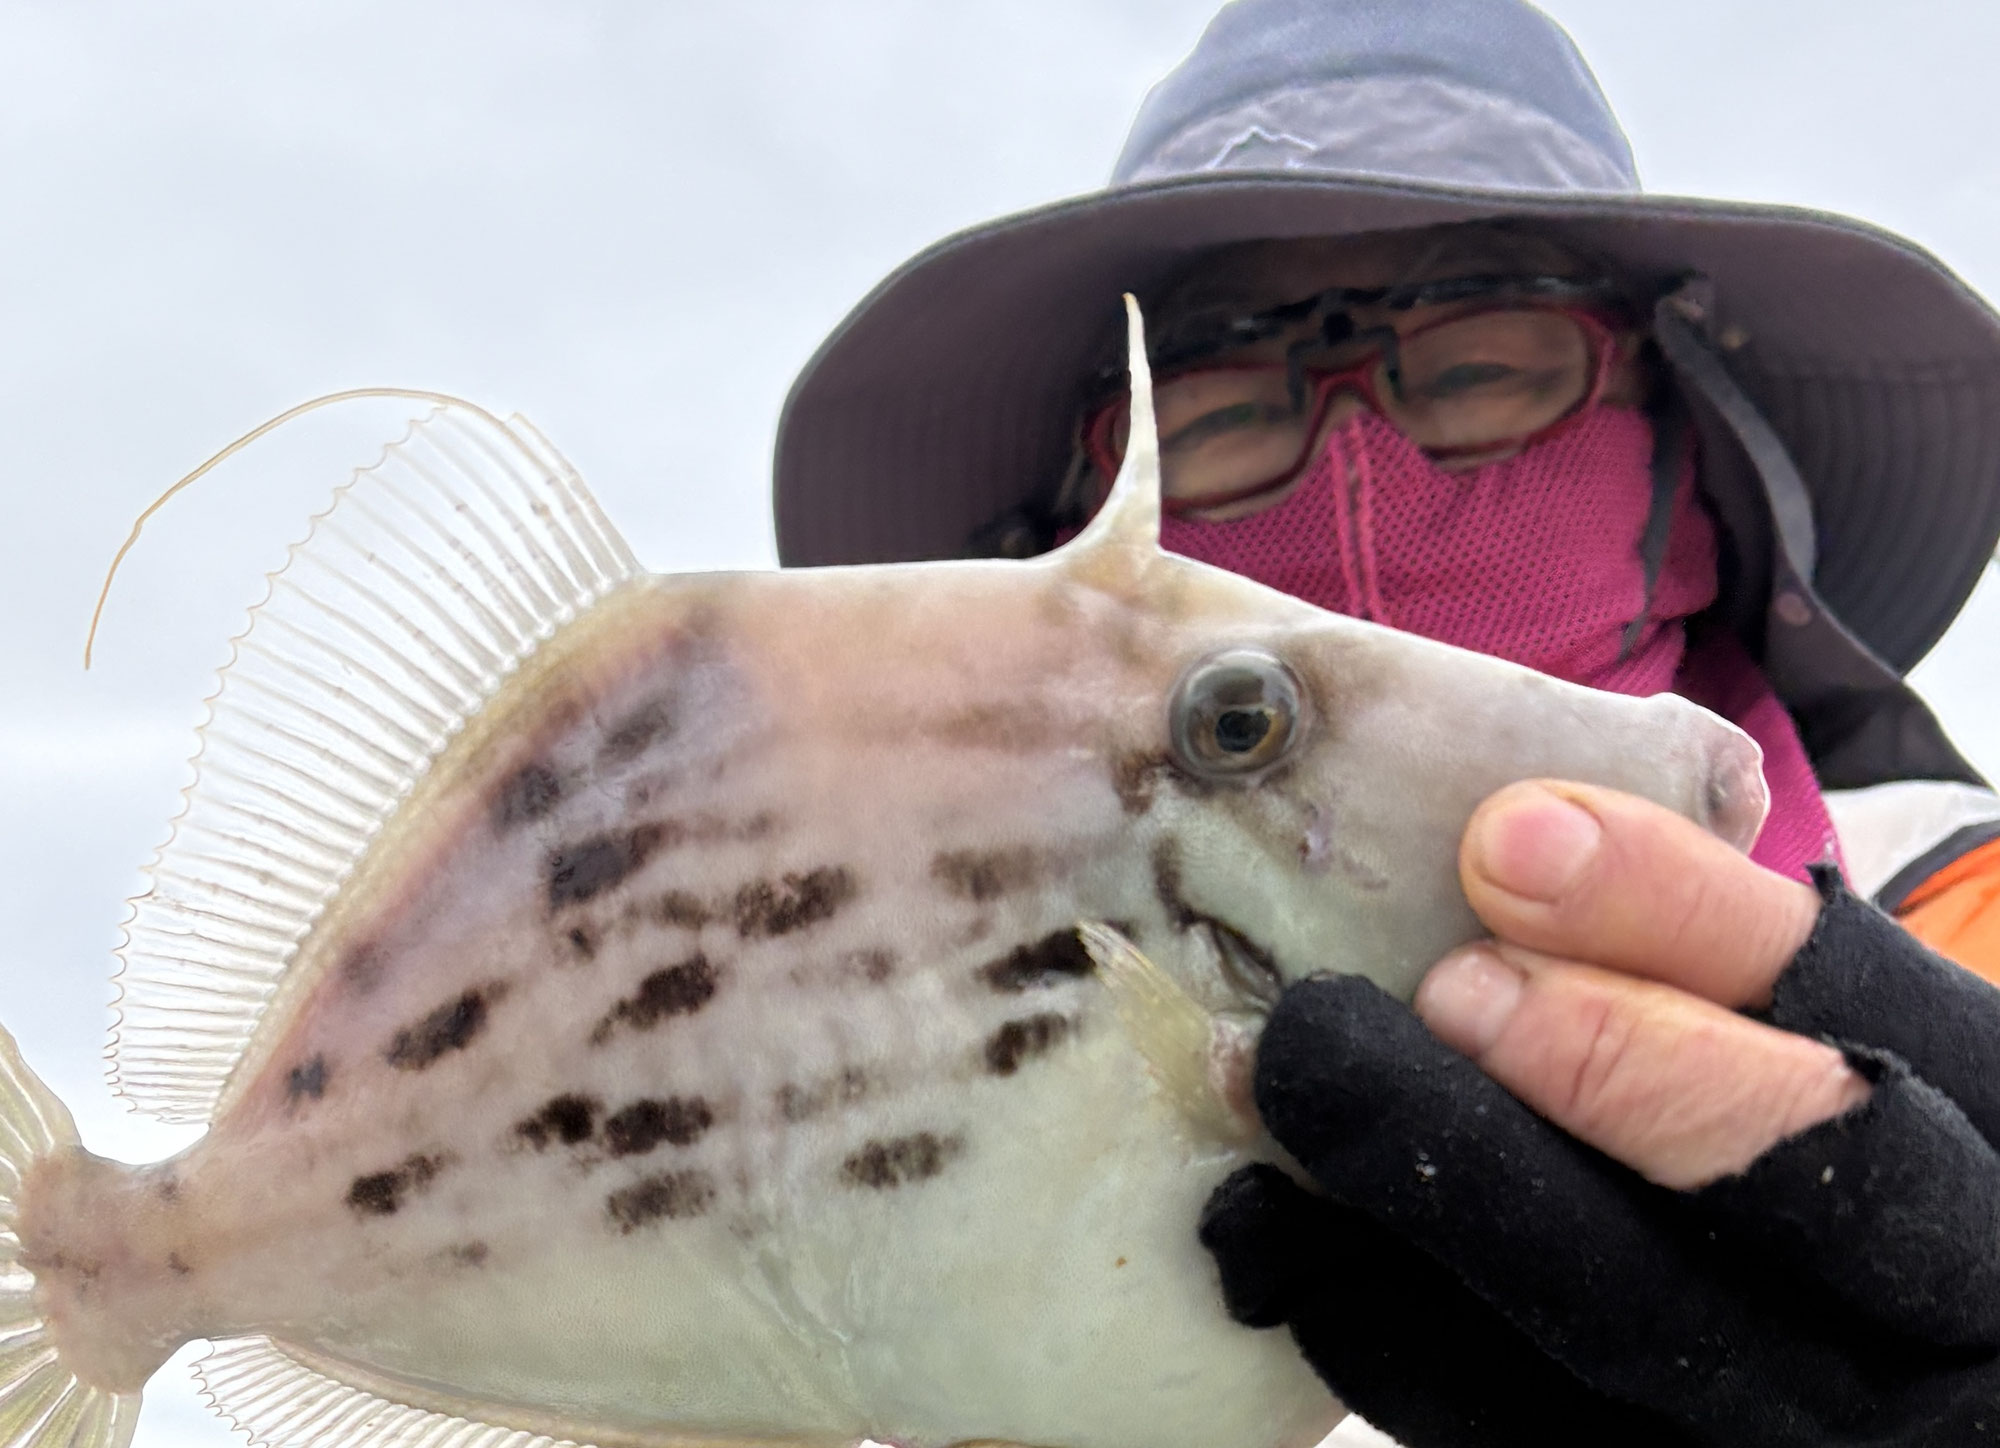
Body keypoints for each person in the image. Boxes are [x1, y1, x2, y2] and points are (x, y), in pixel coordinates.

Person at [772, 1, 2000, 1441]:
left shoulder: (1955, 900)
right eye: (1224, 406)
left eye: (1483, 363)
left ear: (1682, 439)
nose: (1362, 447)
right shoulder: (884, 997)